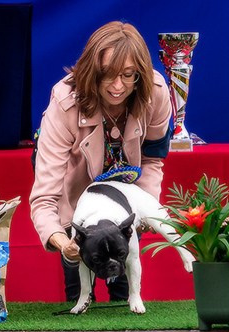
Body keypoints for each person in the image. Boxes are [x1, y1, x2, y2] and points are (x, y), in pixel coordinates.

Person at [29, 21, 172, 302]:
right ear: (92, 71)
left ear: (140, 73)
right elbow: (45, 198)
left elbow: (152, 160)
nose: (118, 86)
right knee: (78, 283)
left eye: (128, 75)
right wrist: (62, 241)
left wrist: (144, 211)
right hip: (73, 186)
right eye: (107, 74)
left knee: (124, 281)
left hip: (126, 196)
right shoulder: (64, 102)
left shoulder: (155, 92)